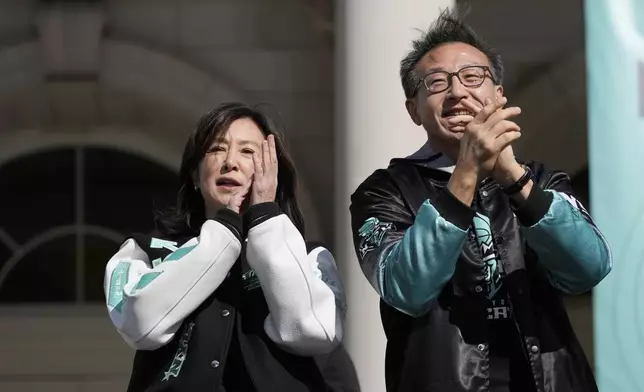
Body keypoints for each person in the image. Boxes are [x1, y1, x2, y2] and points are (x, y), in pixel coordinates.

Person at [349, 9, 612, 392]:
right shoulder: (385, 191)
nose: (458, 92)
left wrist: (513, 178)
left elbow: (589, 268)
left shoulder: (541, 180)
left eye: (473, 77)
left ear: (498, 95)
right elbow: (406, 288)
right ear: (413, 109)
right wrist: (466, 173)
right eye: (436, 82)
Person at [104, 102, 358, 392]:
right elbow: (141, 323)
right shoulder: (142, 252)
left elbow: (313, 329)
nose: (230, 162)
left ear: (273, 174)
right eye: (216, 149)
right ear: (195, 177)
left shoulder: (311, 256)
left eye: (248, 151)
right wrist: (224, 232)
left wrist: (264, 218)